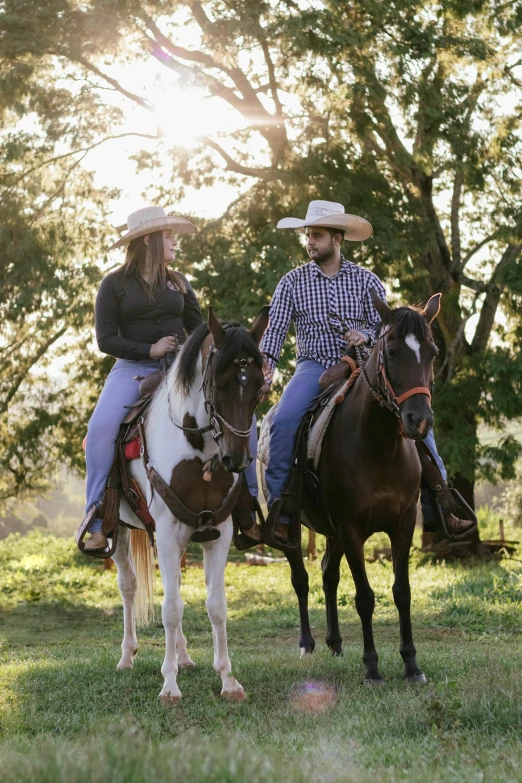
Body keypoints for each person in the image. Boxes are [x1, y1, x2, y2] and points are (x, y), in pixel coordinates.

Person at [258, 200, 474, 544]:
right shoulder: (291, 283)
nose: (310, 241)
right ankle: (282, 512)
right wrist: (266, 369)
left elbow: (388, 331)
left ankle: (440, 504)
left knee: (419, 421)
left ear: (337, 239)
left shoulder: (367, 281)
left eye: (317, 235)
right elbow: (274, 334)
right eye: (308, 235)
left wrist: (367, 336)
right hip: (313, 367)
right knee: (283, 422)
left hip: (364, 367)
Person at [83, 206, 204, 551]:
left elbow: (197, 331)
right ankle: (95, 522)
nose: (174, 240)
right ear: (148, 241)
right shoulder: (113, 284)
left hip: (179, 370)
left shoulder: (180, 282)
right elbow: (105, 340)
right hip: (132, 369)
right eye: (167, 235)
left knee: (234, 416)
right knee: (100, 430)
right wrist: (148, 349)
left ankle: (244, 510)